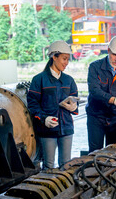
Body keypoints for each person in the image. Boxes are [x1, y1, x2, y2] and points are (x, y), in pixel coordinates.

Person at [27, 40, 78, 169]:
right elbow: (33, 104)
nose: (66, 63)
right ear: (54, 57)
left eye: (68, 59)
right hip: (47, 129)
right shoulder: (39, 80)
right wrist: (44, 119)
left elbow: (75, 101)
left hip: (66, 128)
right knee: (49, 165)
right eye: (64, 59)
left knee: (66, 165)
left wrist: (74, 107)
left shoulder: (68, 80)